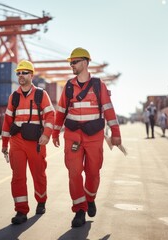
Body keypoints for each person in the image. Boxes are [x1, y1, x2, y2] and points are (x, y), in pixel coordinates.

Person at [52, 47, 122, 228]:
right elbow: (60, 112)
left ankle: (90, 198)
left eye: (74, 62)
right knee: (74, 173)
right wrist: (54, 132)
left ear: (85, 62)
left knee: (93, 172)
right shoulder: (68, 87)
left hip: (94, 137)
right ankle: (79, 210)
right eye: (70, 63)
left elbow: (109, 110)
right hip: (73, 136)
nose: (71, 65)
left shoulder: (99, 86)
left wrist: (116, 133)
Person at [1, 60, 55, 225]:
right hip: (17, 142)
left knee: (38, 174)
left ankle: (41, 201)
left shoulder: (41, 94)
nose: (21, 76)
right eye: (18, 73)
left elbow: (50, 116)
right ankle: (21, 210)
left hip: (36, 141)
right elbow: (7, 121)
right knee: (17, 177)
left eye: (24, 72)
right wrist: (4, 144)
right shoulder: (14, 97)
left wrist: (46, 135)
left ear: (31, 75)